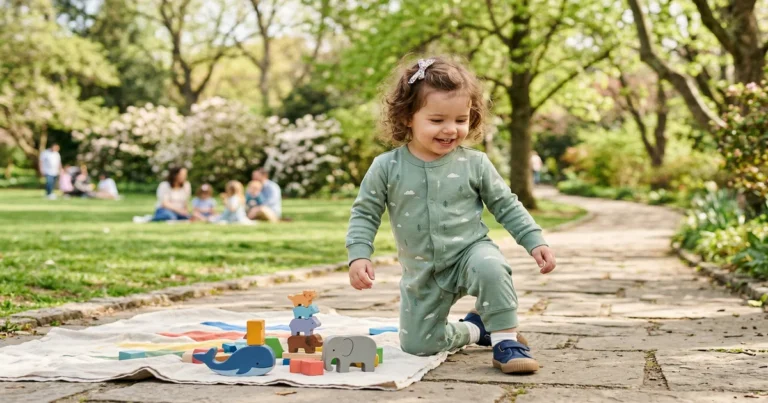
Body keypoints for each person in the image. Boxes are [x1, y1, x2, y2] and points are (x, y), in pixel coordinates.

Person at [345, 57, 557, 375]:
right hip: (423, 272)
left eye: (461, 119)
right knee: (418, 345)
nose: (450, 129)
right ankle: (476, 329)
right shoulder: (386, 167)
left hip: (470, 253)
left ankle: (506, 342)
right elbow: (364, 213)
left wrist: (534, 239)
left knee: (492, 267)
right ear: (407, 117)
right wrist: (359, 255)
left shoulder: (475, 163)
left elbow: (506, 204)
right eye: (437, 120)